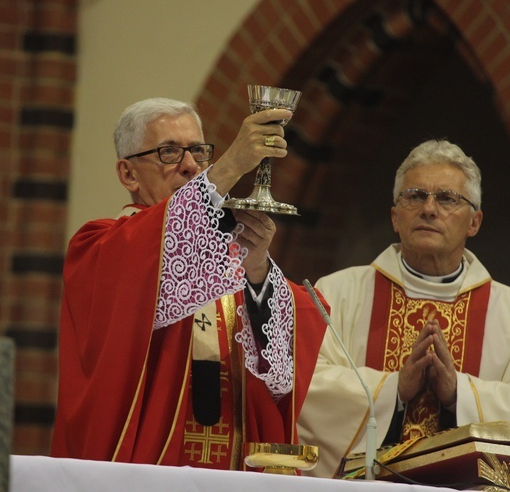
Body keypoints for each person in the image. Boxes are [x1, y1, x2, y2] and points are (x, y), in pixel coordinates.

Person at [50, 97, 327, 470]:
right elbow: (150, 259)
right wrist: (230, 165)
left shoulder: (228, 260)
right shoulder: (98, 247)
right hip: (147, 470)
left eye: (198, 151)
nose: (190, 166)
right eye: (168, 152)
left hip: (235, 471)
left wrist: (258, 269)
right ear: (128, 174)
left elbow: (281, 371)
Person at [297, 139, 510, 478]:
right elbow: (300, 386)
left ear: (474, 222)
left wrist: (460, 394)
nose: (429, 208)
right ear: (395, 217)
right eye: (415, 196)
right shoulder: (336, 294)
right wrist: (393, 389)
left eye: (447, 198)